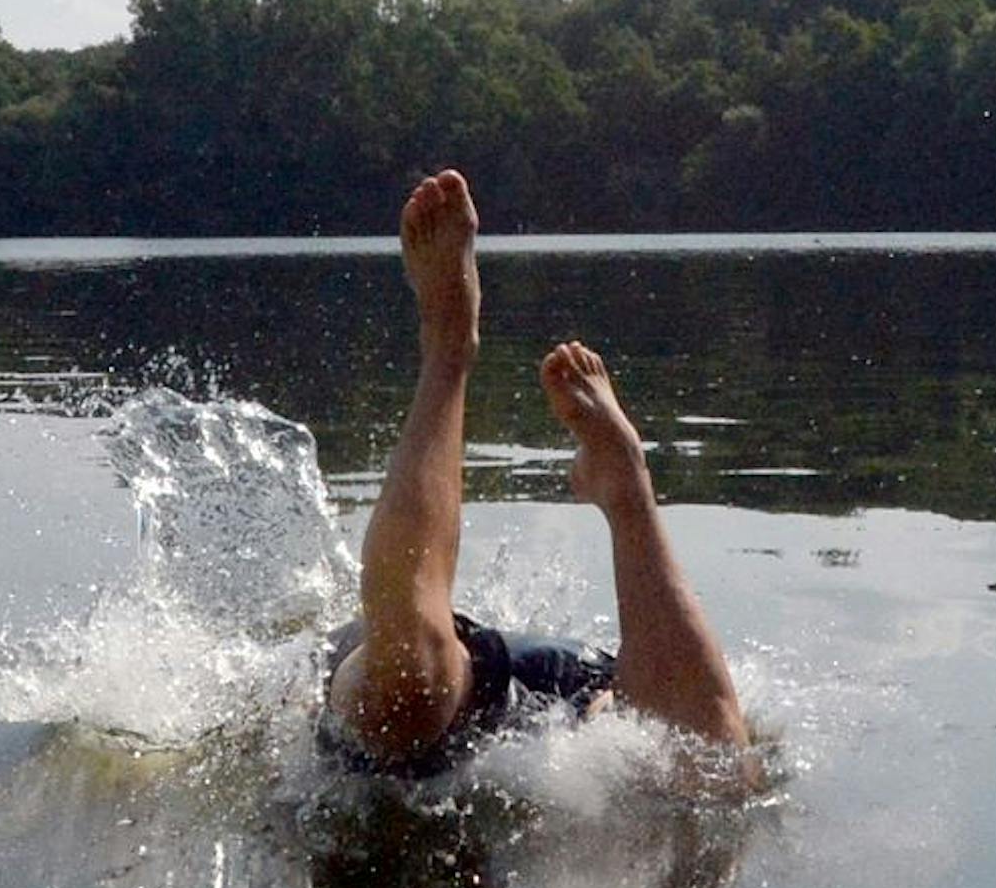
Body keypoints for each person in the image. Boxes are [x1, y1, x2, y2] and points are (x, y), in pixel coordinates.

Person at [321, 168, 752, 781]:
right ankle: (448, 343)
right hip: (438, 674)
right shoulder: (317, 669)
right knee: (405, 699)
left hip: (577, 698)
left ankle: (626, 488)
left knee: (711, 769)